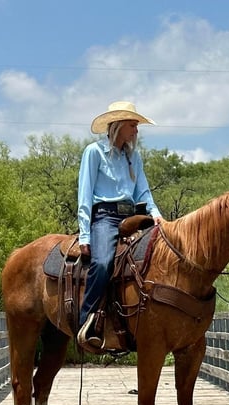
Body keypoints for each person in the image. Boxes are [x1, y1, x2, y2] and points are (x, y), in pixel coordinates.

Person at [76, 101, 164, 347]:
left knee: (158, 258)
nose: (136, 131)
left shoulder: (133, 157)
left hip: (133, 217)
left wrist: (156, 214)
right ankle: (87, 321)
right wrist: (85, 235)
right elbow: (85, 194)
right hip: (104, 216)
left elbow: (143, 192)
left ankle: (145, 321)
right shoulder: (94, 152)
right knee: (103, 263)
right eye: (132, 125)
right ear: (118, 126)